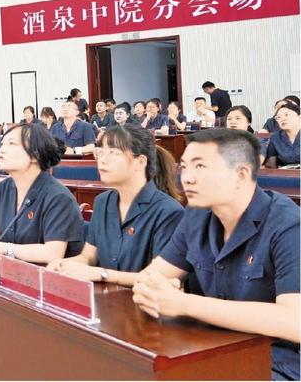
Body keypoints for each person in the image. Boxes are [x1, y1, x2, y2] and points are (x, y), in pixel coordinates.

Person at [131, 129, 299, 380]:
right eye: (184, 167)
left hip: (275, 361)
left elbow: (294, 322)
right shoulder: (196, 216)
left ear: (241, 174)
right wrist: (151, 291)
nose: (187, 178)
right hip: (210, 347)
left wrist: (184, 303)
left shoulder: (288, 225)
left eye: (200, 167)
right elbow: (151, 276)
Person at [46, 124, 184, 285]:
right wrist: (64, 264)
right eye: (101, 152)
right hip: (104, 295)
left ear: (140, 162)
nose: (103, 160)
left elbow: (157, 277)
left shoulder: (168, 211)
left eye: (113, 153)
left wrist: (102, 274)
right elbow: (88, 257)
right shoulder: (102, 202)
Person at [0, 123, 84, 263]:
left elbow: (52, 253)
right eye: (2, 144)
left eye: (11, 143)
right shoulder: (3, 188)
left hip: (48, 274)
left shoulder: (58, 197)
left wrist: (2, 248)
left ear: (35, 155)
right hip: (10, 271)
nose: (2, 150)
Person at [265, 101, 300, 168]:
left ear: (299, 116)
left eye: (286, 115)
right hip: (286, 172)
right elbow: (271, 162)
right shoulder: (275, 138)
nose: (282, 119)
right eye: (278, 117)